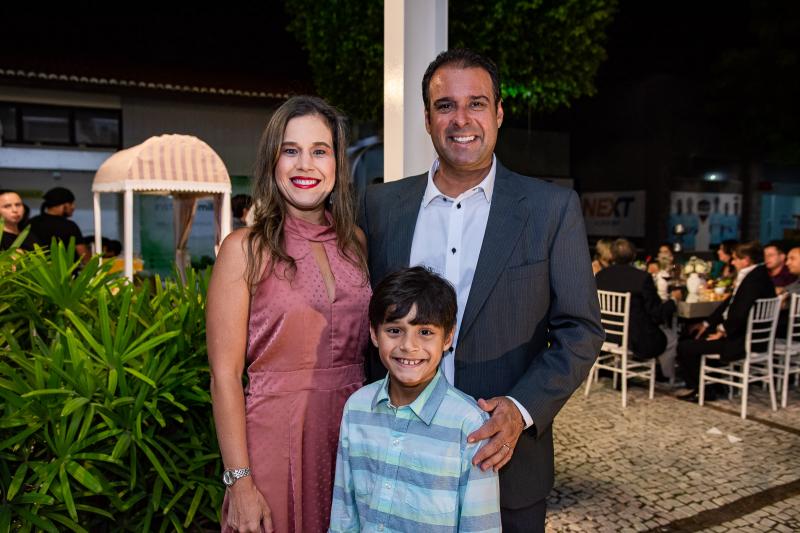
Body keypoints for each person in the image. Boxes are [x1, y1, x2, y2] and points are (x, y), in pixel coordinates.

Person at [360, 49, 604, 532]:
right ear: (427, 119)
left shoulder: (550, 209)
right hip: (397, 461)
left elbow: (580, 330)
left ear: (498, 113)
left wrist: (520, 409)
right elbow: (359, 319)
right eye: (445, 106)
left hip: (505, 464)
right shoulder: (380, 206)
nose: (461, 119)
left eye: (476, 103)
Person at [207, 96, 371, 533]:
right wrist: (240, 482)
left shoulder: (356, 243)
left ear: (337, 163)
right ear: (272, 161)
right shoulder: (243, 249)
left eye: (320, 151)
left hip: (353, 438)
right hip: (273, 444)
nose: (305, 165)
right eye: (290, 150)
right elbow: (224, 376)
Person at [330, 266, 501, 532]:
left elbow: (480, 526)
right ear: (374, 334)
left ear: (448, 337)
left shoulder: (469, 425)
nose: (408, 345)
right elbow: (344, 514)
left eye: (425, 332)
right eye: (394, 331)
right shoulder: (356, 408)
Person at [675, 241, 776, 402]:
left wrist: (722, 331)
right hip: (746, 335)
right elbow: (729, 303)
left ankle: (702, 389)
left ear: (746, 260)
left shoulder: (753, 280)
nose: (732, 262)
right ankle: (715, 384)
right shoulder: (758, 274)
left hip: (742, 341)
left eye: (735, 258)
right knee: (693, 333)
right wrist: (707, 324)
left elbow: (740, 313)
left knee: (685, 346)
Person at [596, 238, 681, 380]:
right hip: (636, 339)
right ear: (634, 256)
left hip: (606, 335)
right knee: (671, 338)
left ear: (612, 255)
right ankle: (667, 378)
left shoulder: (600, 276)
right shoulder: (642, 278)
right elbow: (656, 314)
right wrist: (673, 300)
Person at [27, 187, 89, 263]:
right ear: (64, 205)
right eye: (71, 203)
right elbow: (84, 257)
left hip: (37, 269)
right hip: (65, 270)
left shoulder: (32, 223)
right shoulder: (70, 226)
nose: (73, 207)